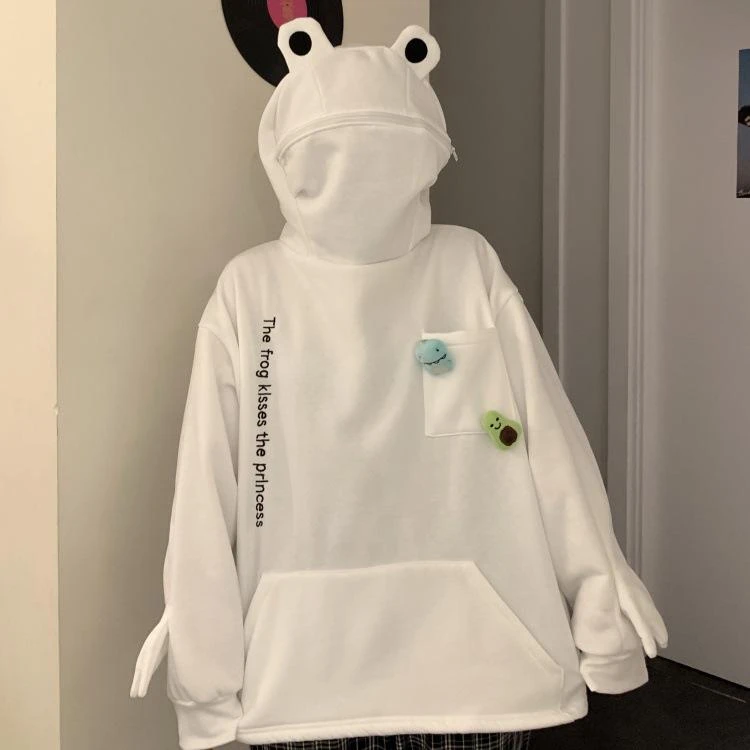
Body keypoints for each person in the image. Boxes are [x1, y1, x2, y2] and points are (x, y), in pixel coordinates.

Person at [130, 18, 667, 750]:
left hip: (336, 681)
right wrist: (602, 622)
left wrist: (207, 688)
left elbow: (532, 436)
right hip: (467, 674)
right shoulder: (257, 293)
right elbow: (548, 448)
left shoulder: (460, 269)